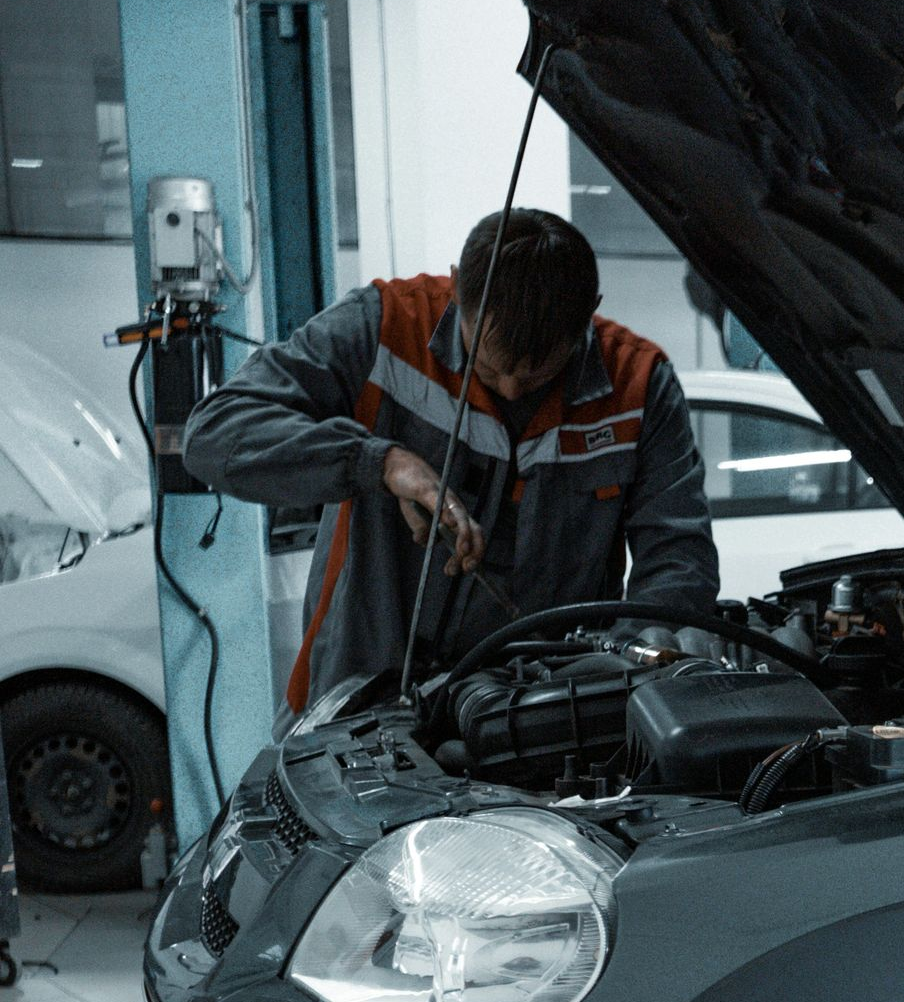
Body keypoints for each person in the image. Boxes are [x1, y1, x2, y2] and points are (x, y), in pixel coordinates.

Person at [182, 207, 719, 720]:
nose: (510, 388)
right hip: (353, 710)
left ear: (590, 310)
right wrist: (380, 461)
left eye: (536, 375)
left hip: (546, 721)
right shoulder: (386, 328)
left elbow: (676, 557)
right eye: (491, 365)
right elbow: (215, 432)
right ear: (460, 286)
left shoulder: (638, 386)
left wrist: (638, 656)